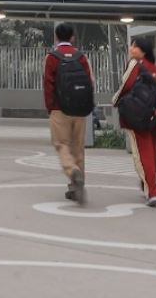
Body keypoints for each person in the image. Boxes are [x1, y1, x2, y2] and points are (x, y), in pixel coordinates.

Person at [115, 35, 156, 206]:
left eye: (134, 47)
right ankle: (150, 184)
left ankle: (152, 190)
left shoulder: (135, 66)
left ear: (142, 50)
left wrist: (116, 101)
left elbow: (125, 87)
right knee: (152, 153)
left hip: (139, 118)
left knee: (142, 155)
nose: (131, 49)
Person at [42, 22, 93, 204]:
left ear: (56, 38)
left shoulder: (52, 57)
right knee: (78, 148)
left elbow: (48, 85)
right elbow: (90, 82)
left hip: (59, 109)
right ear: (72, 37)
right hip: (80, 109)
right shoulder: (81, 57)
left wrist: (51, 108)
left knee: (62, 144)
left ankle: (72, 172)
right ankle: (76, 188)